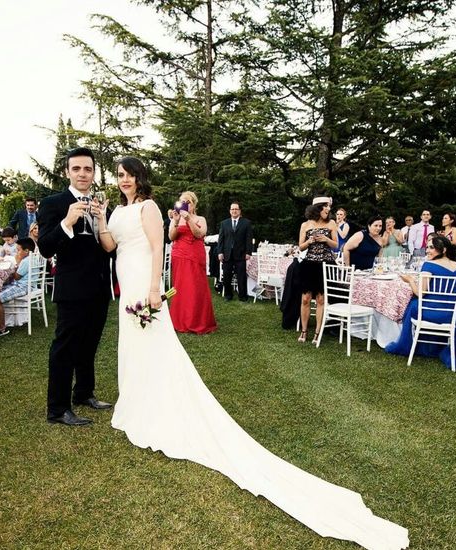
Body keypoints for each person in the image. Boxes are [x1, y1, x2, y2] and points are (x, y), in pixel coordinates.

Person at [93, 157, 408, 550]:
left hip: (144, 281)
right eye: (119, 176)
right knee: (133, 345)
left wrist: (157, 287)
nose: (122, 181)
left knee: (155, 345)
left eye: (128, 175)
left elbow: (159, 248)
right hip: (125, 275)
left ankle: (157, 405)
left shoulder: (150, 207)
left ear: (140, 177)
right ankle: (137, 400)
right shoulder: (118, 209)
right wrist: (101, 218)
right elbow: (109, 245)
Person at [37, 147, 113, 427]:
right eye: (77, 169)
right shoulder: (53, 203)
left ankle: (84, 393)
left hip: (99, 287)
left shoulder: (101, 204)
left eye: (88, 169)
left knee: (90, 344)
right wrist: (67, 221)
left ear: (94, 173)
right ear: (67, 172)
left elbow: (108, 248)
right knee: (65, 347)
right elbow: (45, 247)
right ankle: (57, 408)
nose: (83, 174)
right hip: (71, 289)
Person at [385, 235, 456, 373]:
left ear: (443, 250)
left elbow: (421, 293)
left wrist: (410, 280)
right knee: (414, 304)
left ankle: (411, 345)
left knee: (412, 304)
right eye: (427, 247)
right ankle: (431, 346)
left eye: (432, 247)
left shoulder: (428, 265)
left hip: (433, 312)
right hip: (455, 314)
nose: (427, 250)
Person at [167, 191, 217, 334]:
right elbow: (171, 236)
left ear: (194, 204)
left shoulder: (200, 218)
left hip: (195, 256)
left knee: (195, 286)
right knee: (180, 287)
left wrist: (188, 218)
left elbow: (199, 234)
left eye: (188, 202)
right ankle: (180, 320)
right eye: (182, 201)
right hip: (179, 255)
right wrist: (176, 221)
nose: (185, 204)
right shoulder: (175, 218)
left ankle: (197, 320)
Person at [297, 198, 338, 343]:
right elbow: (300, 246)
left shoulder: (331, 223)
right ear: (317, 209)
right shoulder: (305, 224)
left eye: (329, 207)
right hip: (309, 264)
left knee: (321, 299)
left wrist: (326, 240)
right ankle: (304, 331)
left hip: (325, 264)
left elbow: (336, 245)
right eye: (325, 207)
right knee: (305, 298)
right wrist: (309, 242)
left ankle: (317, 333)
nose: (328, 210)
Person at [0, 238, 40, 336]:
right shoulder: (33, 258)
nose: (17, 252)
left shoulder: (26, 261)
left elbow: (16, 277)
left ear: (26, 251)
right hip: (27, 285)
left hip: (23, 286)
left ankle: (1, 328)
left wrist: (16, 263)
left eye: (18, 250)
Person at [217, 202, 253, 301]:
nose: (234, 211)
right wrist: (220, 252)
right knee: (227, 276)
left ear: (239, 211)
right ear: (230, 211)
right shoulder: (224, 223)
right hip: (227, 254)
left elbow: (249, 239)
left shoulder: (246, 223)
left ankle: (243, 296)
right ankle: (228, 295)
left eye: (236, 209)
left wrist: (248, 252)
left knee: (241, 277)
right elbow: (221, 239)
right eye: (232, 209)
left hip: (241, 254)